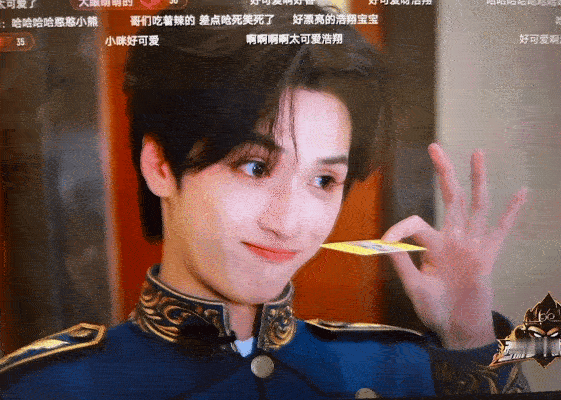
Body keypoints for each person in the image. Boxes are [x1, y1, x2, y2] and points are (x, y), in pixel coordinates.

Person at [0, 1, 529, 398]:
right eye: (254, 167)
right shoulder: (45, 385)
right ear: (160, 166)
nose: (290, 222)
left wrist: (470, 333)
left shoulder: (398, 367)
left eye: (324, 180)